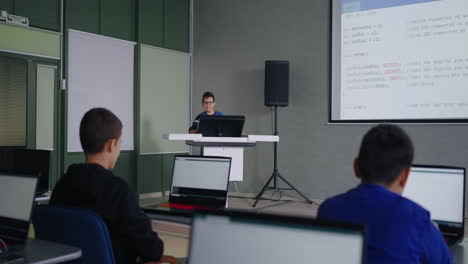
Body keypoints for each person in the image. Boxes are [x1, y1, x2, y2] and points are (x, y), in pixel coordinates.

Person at [317, 124, 452, 264]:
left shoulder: (328, 209)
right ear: (405, 176)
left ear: (356, 167)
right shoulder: (418, 218)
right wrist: (433, 234)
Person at [50, 108, 165, 264]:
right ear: (111, 144)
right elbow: (152, 249)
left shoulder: (61, 186)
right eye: (120, 144)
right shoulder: (118, 191)